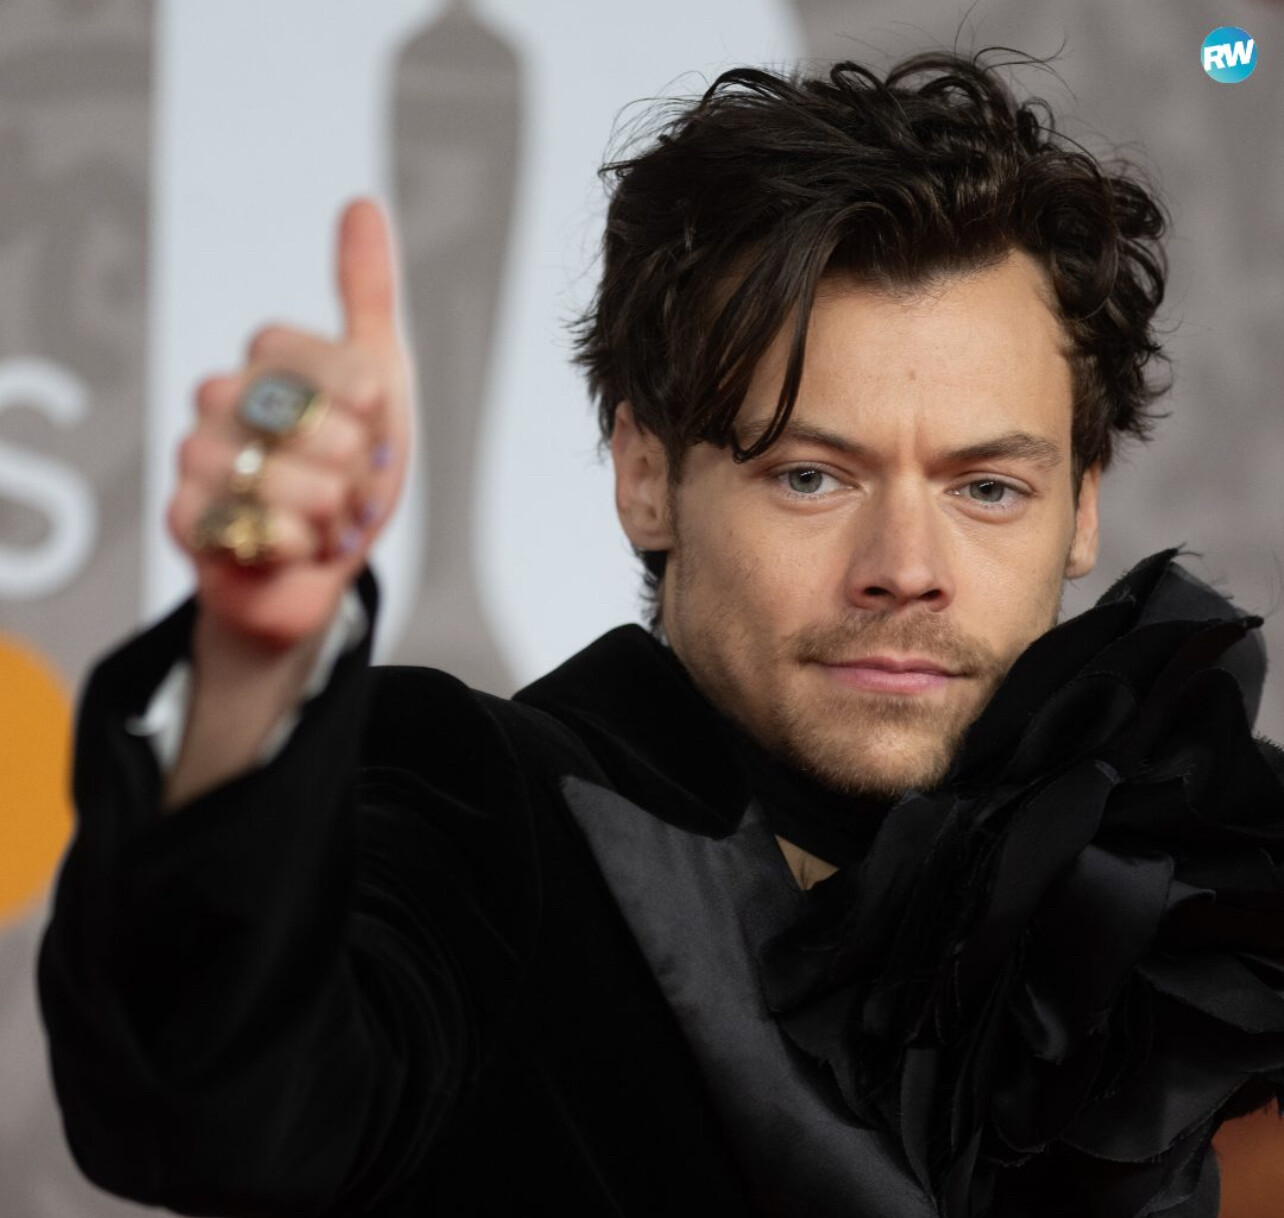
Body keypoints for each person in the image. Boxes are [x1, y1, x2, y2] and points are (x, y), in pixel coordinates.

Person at [38, 50, 1284, 1218]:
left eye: (988, 488)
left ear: (1083, 506)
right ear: (645, 476)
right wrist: (251, 671)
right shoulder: (487, 817)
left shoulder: (1176, 873)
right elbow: (208, 1106)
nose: (906, 570)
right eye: (810, 476)